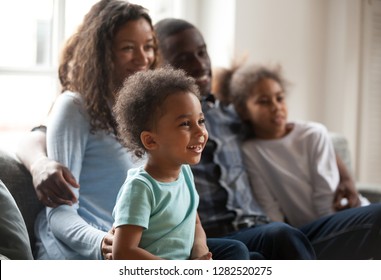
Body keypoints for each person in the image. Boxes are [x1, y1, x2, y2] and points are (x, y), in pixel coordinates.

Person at [14, 0, 253, 261]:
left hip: (147, 245)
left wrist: (197, 248)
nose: (143, 58)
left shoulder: (152, 110)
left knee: (251, 250)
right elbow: (60, 212)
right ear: (101, 54)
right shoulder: (75, 107)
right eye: (128, 48)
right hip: (94, 249)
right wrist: (100, 242)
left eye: (149, 46)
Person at [154, 18, 381, 260]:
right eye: (183, 59)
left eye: (202, 52)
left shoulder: (234, 116)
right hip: (221, 241)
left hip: (268, 230)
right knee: (280, 235)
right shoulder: (158, 127)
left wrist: (347, 177)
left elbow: (302, 133)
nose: (200, 64)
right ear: (159, 65)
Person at [228, 64, 369, 227]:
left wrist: (333, 236)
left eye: (280, 98)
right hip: (310, 233)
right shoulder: (251, 151)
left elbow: (326, 197)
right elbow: (270, 207)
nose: (276, 107)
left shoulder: (313, 134)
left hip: (347, 219)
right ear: (244, 111)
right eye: (264, 102)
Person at [112, 67, 211, 260]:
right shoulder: (140, 188)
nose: (200, 132)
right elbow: (122, 253)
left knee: (244, 252)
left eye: (201, 121)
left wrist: (200, 251)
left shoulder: (185, 173)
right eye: (185, 124)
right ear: (150, 141)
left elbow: (195, 223)